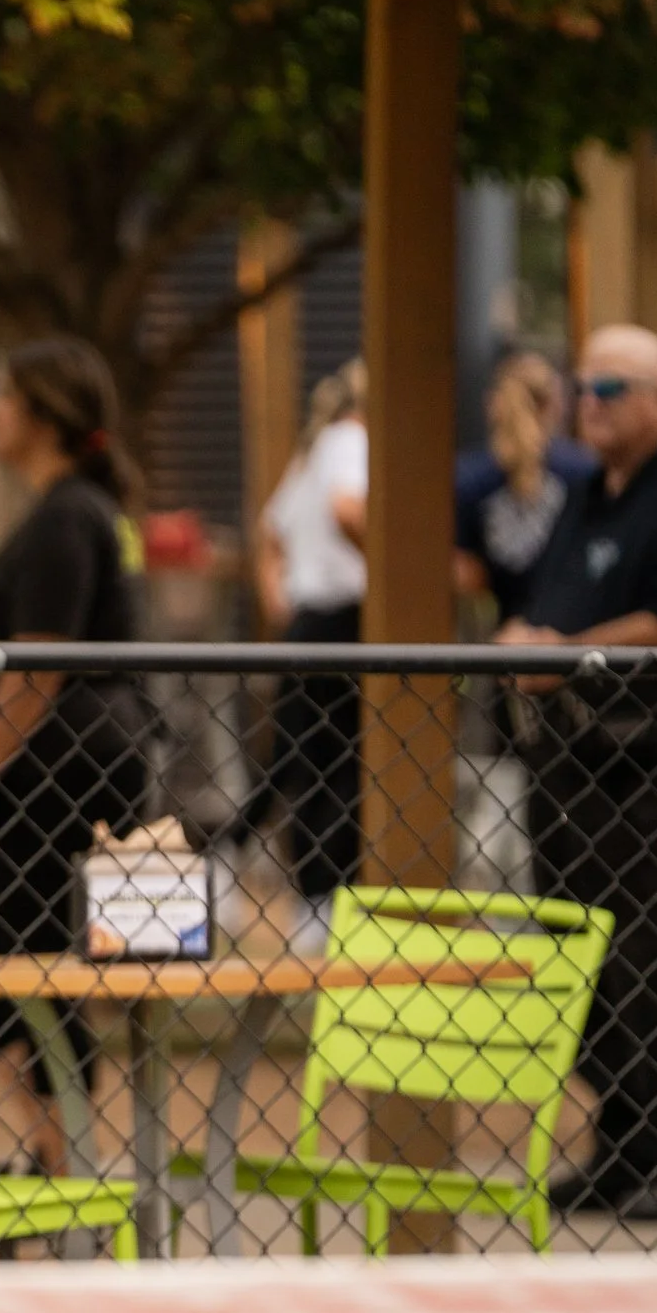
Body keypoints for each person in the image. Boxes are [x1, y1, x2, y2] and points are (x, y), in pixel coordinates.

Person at [496, 323, 657, 1224]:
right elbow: (553, 601)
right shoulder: (584, 494)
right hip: (572, 769)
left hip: (656, 768)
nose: (589, 404)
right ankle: (626, 1147)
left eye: (610, 389)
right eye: (583, 387)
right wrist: (526, 639)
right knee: (588, 960)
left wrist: (566, 652)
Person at [0, 337, 150, 1149]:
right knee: (32, 968)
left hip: (53, 776)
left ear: (46, 417)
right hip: (68, 771)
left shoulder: (65, 518)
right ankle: (59, 1154)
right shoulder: (80, 512)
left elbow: (34, 673)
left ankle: (58, 1155)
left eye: (7, 397)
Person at [255, 360, 368, 953]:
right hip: (345, 618)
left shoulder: (313, 452)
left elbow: (269, 529)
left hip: (307, 621)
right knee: (343, 763)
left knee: (300, 761)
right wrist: (399, 562)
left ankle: (312, 901)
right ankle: (329, 897)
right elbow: (349, 510)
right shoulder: (353, 441)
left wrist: (280, 600)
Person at [455, 351, 594, 623]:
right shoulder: (584, 471)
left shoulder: (468, 476)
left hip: (501, 639)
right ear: (554, 404)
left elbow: (463, 572)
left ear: (493, 404)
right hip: (574, 638)